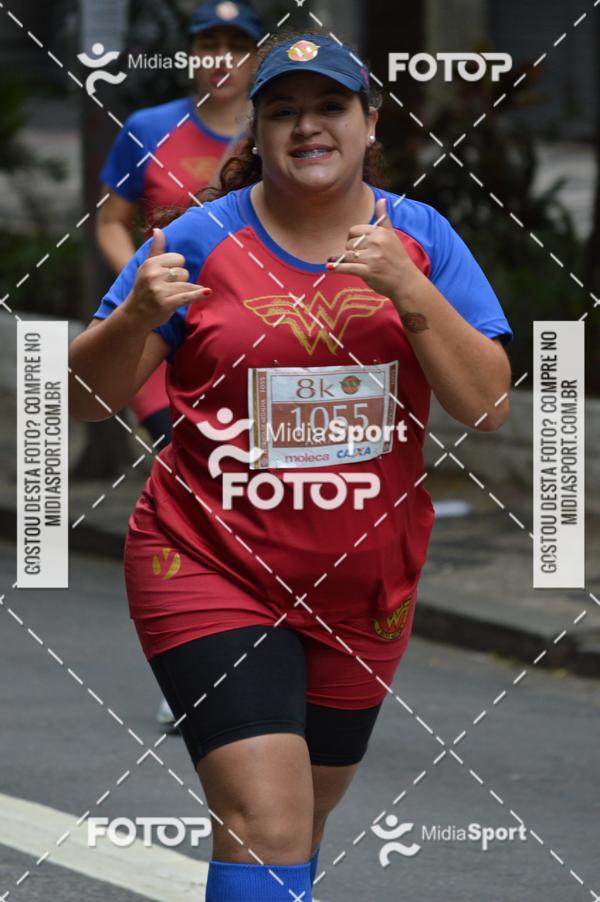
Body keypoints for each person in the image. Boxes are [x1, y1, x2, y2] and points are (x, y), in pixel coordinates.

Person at [70, 32, 513, 902]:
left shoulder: (422, 237)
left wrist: (409, 289)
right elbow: (84, 401)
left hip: (364, 583)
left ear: (369, 122)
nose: (307, 126)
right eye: (283, 111)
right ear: (259, 132)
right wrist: (134, 319)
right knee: (267, 822)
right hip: (208, 563)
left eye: (330, 106)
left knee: (298, 824)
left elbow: (488, 405)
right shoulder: (198, 239)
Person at [96, 0, 264, 728]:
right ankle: (198, 663)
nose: (221, 58)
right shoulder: (149, 128)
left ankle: (258, 654)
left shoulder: (276, 131)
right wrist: (140, 289)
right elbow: (111, 220)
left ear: (256, 56)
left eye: (236, 45)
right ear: (190, 53)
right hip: (163, 345)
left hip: (247, 343)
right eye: (208, 44)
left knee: (253, 494)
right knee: (199, 480)